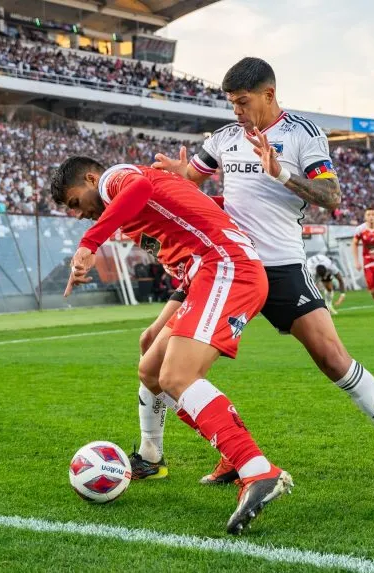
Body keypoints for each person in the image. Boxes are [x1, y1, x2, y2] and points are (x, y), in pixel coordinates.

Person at [143, 57, 374, 489]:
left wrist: (280, 172)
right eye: (231, 103)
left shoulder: (301, 134)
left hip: (281, 266)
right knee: (165, 363)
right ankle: (213, 454)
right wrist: (180, 175)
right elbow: (193, 177)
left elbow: (332, 196)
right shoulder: (225, 137)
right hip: (227, 268)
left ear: (269, 94)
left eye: (242, 102)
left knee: (333, 359)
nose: (236, 112)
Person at [52, 157, 292, 535]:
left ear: (90, 178)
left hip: (226, 267)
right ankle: (151, 458)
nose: (80, 214)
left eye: (75, 202)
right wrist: (161, 322)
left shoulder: (116, 179)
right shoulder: (129, 211)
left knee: (177, 376)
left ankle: (257, 469)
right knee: (151, 368)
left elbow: (141, 188)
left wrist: (90, 244)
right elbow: (186, 252)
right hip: (206, 274)